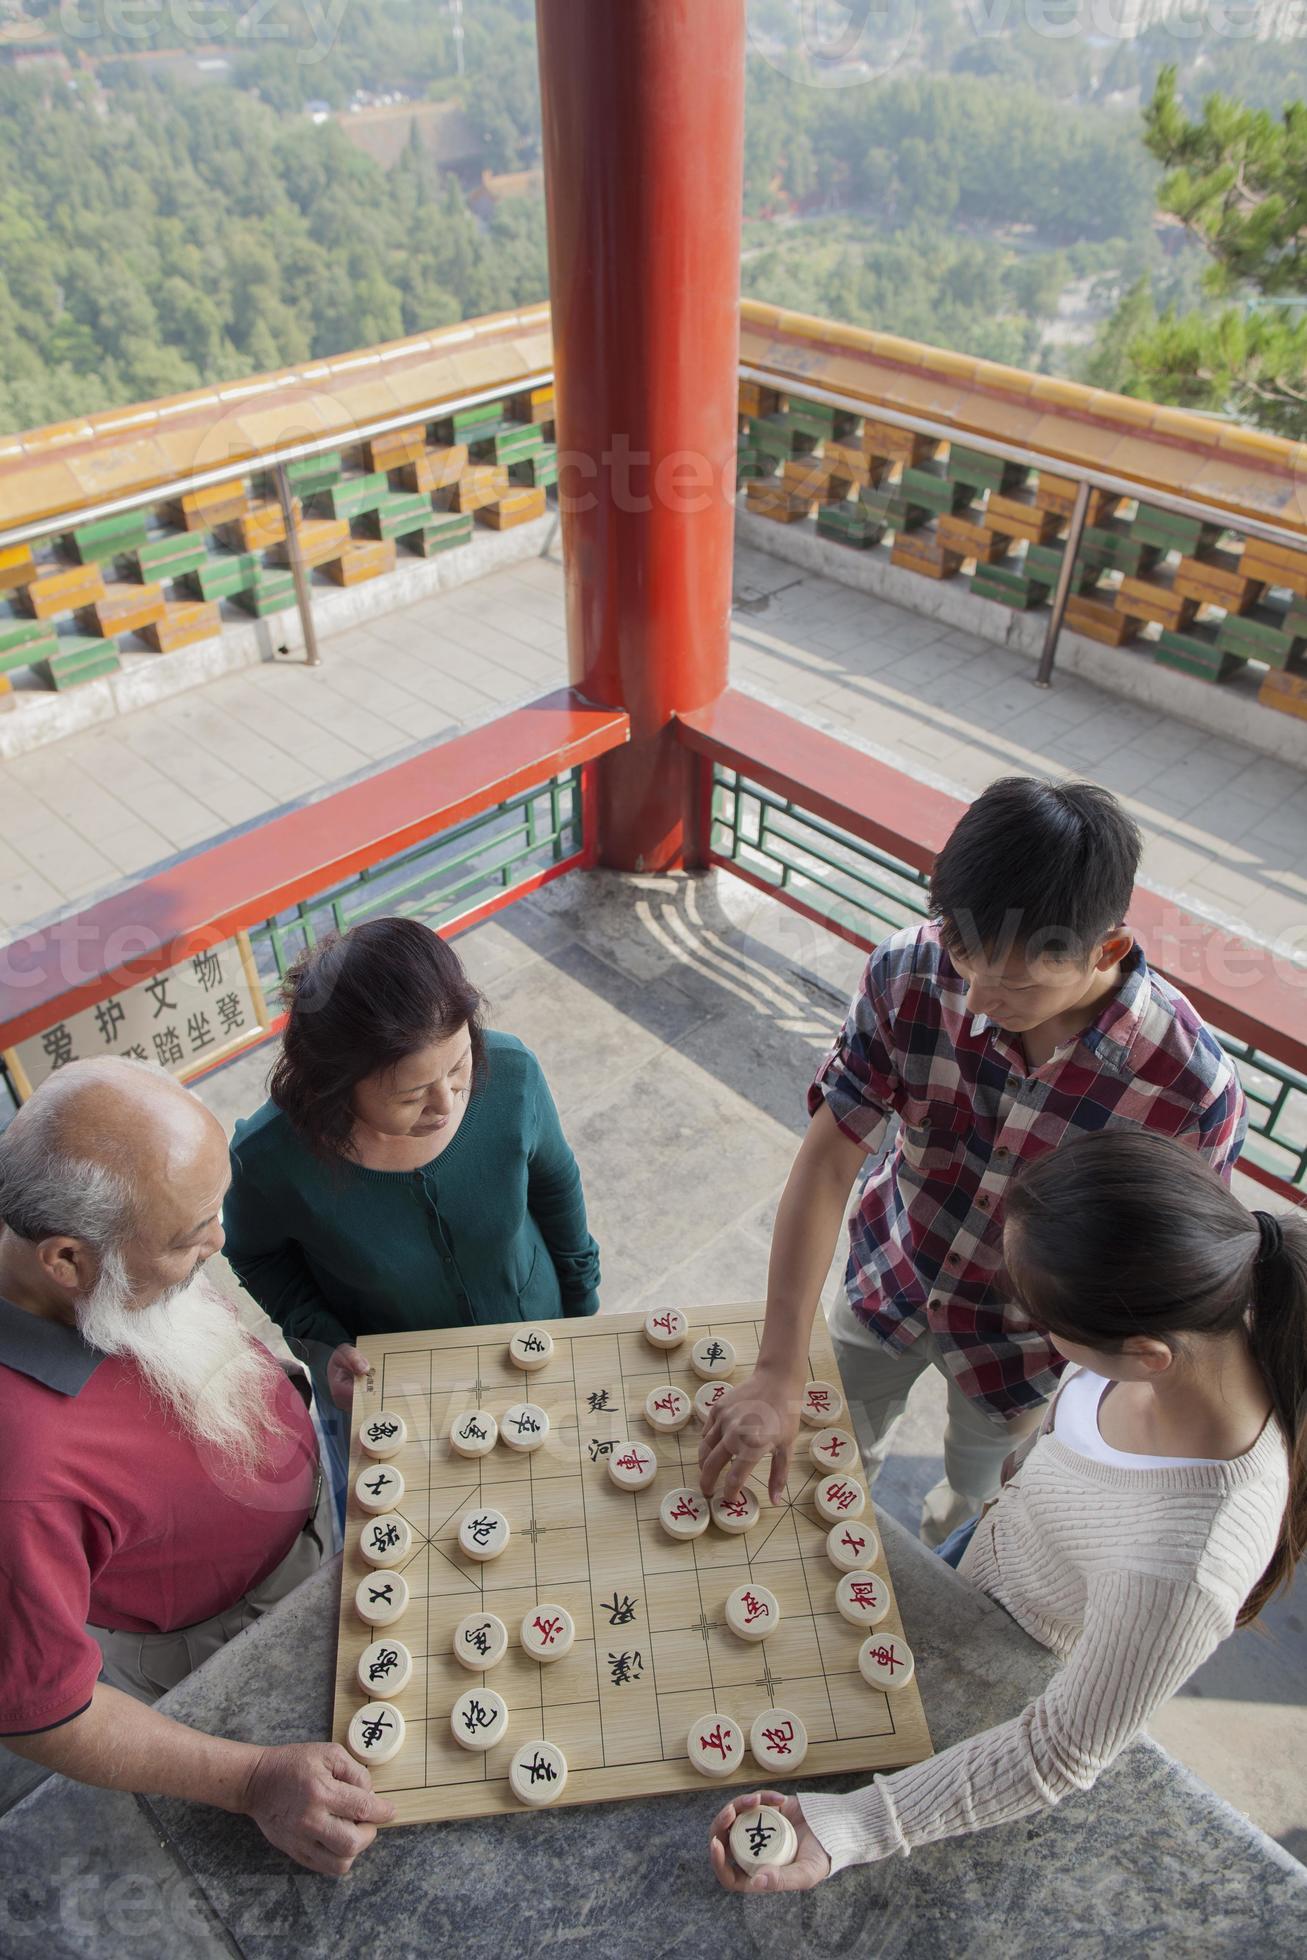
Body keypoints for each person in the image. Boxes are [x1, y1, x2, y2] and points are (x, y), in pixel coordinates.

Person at [709, 1130, 1302, 1891]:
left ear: (1144, 1355)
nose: (1034, 1332)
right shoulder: (1208, 1313)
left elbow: (1057, 1751)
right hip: (986, 1557)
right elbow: (1070, 1452)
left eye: (1047, 1321)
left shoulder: (1187, 1565)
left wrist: (850, 1826)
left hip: (1014, 1667)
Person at [699, 775, 1247, 1544]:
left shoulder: (1185, 1091)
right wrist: (778, 1363)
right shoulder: (909, 972)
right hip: (892, 1270)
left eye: (1017, 982)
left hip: (1031, 1345)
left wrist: (1082, 1428)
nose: (978, 1000)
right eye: (963, 956)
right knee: (832, 1450)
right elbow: (829, 1161)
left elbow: (1159, 1287)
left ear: (1107, 949)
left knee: (981, 1499)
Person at [0, 1059, 392, 1876]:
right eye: (190, 1240)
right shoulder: (22, 1478)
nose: (219, 1244)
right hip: (225, 1629)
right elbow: (44, 1712)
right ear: (67, 1262)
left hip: (307, 1519)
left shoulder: (97, 1267)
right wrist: (250, 1779)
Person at [224, 916, 601, 1516]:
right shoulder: (269, 1158)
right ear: (334, 1087)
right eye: (409, 1095)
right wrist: (323, 1339)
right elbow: (254, 1253)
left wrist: (584, 1317)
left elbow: (557, 1189)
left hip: (533, 1332)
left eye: (457, 1067)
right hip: (393, 1389)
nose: (446, 1103)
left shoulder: (512, 1076)